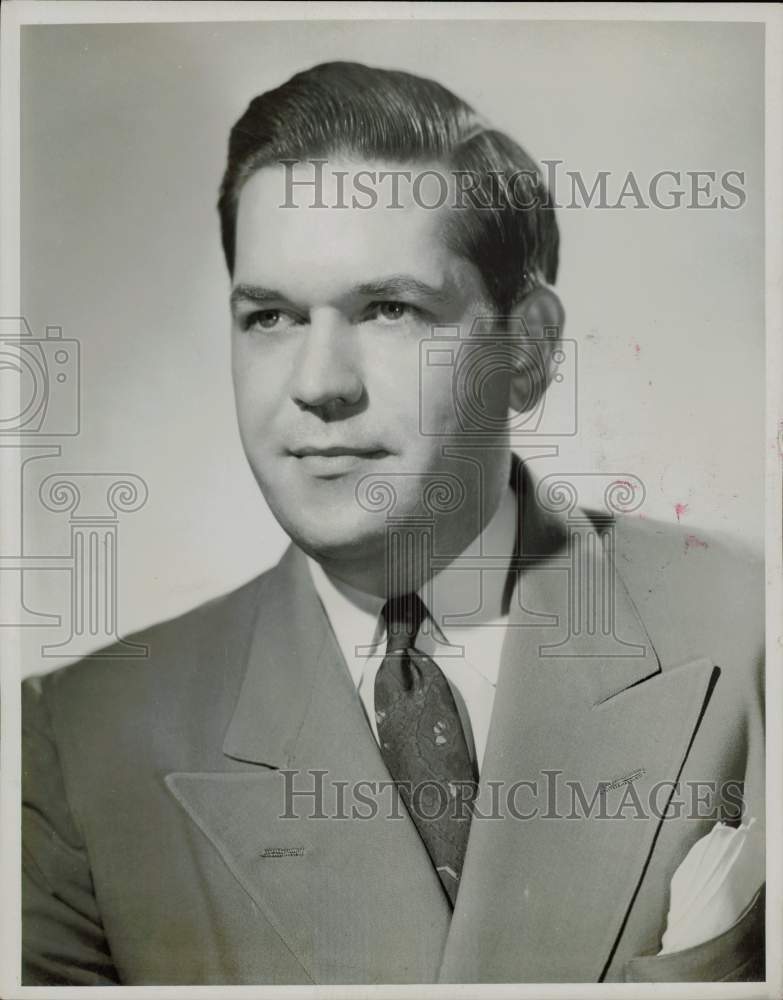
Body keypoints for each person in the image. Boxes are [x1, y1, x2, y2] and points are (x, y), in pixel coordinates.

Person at [22, 61, 764, 986]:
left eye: (388, 308)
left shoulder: (749, 632)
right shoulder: (79, 741)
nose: (317, 381)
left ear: (526, 350)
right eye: (270, 317)